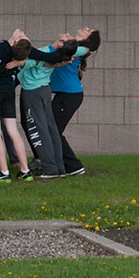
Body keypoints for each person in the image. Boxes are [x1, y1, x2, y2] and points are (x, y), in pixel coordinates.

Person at [0, 29, 63, 183]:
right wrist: (65, 57)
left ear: (14, 43)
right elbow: (49, 57)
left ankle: (4, 172)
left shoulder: (0, 47)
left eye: (21, 35)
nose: (21, 32)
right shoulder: (27, 51)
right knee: (12, 130)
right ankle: (25, 170)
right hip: (8, 91)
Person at [9, 28, 94, 179]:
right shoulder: (62, 54)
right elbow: (83, 50)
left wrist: (19, 62)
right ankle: (59, 167)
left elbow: (32, 61)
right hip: (44, 91)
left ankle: (49, 169)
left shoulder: (45, 52)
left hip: (33, 93)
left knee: (39, 129)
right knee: (51, 128)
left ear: (61, 44)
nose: (67, 33)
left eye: (66, 37)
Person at [50, 29, 101, 176]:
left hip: (70, 95)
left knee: (55, 131)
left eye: (88, 31)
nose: (85, 28)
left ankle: (74, 166)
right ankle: (57, 163)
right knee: (52, 129)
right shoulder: (77, 48)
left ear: (88, 40)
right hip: (64, 94)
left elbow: (61, 51)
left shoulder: (82, 49)